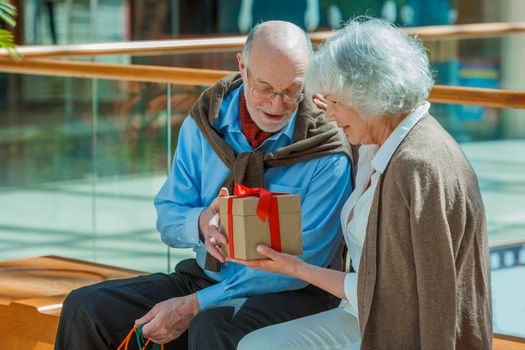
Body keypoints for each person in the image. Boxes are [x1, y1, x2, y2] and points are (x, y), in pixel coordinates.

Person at [54, 21, 353, 350]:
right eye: (265, 89)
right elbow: (168, 216)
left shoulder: (327, 150)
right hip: (206, 276)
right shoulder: (205, 124)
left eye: (292, 91)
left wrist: (196, 303)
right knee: (86, 307)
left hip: (294, 291)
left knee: (212, 326)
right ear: (242, 66)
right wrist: (199, 223)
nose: (277, 105)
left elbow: (305, 263)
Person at [234, 17, 492, 349]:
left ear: (370, 97)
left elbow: (419, 300)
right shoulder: (381, 146)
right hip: (362, 314)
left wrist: (296, 269)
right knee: (256, 343)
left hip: (398, 332)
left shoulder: (416, 167)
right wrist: (292, 266)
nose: (327, 115)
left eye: (336, 102)